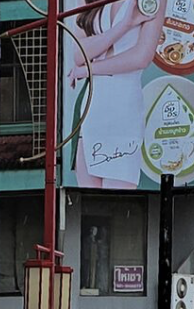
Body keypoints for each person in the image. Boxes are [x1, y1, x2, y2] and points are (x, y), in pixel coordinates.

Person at [66, 0, 166, 189]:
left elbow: (141, 57)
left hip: (123, 105)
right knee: (87, 202)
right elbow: (79, 55)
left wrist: (89, 69)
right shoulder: (87, 2)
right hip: (91, 107)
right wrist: (124, 25)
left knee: (120, 200)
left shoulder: (151, 2)